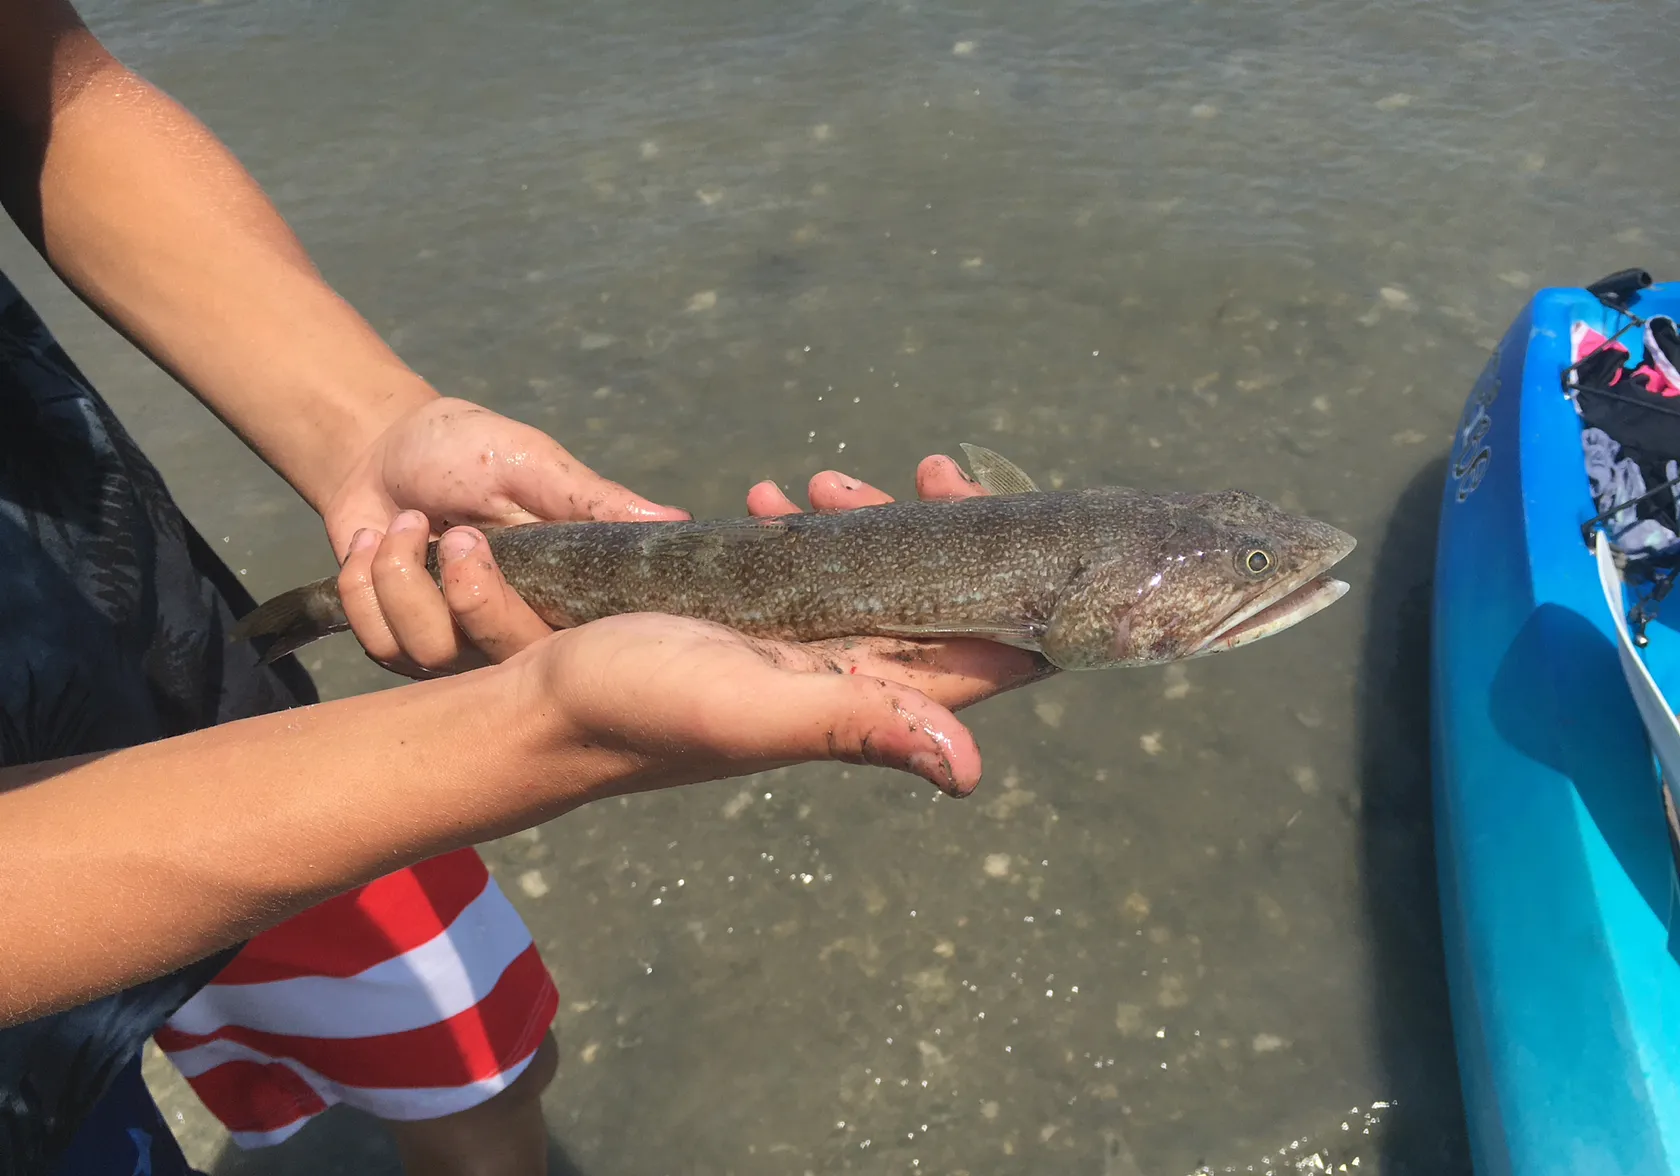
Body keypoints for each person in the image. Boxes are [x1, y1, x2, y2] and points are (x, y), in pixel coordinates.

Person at [0, 3, 1052, 1175]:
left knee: (473, 1055)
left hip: (125, 629)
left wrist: (372, 427)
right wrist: (536, 733)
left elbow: (51, 95)